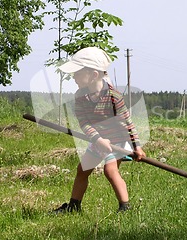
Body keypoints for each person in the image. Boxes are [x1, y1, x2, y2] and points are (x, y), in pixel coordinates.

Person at [53, 47, 146, 213]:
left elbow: (127, 122)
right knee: (82, 170)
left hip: (116, 141)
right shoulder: (80, 95)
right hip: (98, 140)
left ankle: (125, 207)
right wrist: (98, 140)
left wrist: (136, 146)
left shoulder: (113, 97)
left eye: (78, 73)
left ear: (94, 75)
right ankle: (74, 206)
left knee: (110, 171)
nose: (73, 77)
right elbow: (84, 122)